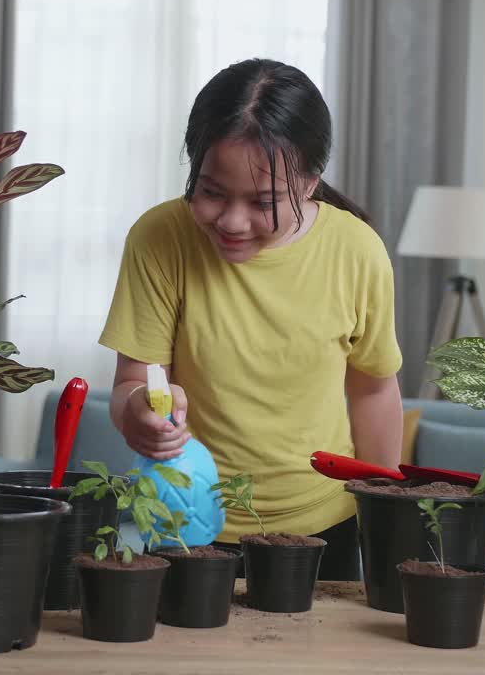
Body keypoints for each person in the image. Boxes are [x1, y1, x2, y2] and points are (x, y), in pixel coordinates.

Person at [99, 58, 403, 579]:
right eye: (212, 191)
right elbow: (134, 380)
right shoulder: (159, 238)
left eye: (263, 202)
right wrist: (139, 419)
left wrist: (385, 518)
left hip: (324, 526)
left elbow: (373, 391)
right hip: (186, 524)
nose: (232, 221)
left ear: (309, 184)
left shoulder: (357, 251)